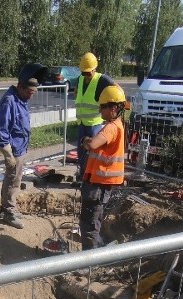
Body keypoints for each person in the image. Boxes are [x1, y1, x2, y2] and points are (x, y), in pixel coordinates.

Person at [0, 63, 46, 229]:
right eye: (29, 92)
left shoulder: (20, 99)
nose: (31, 96)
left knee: (16, 179)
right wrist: (8, 154)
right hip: (13, 149)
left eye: (33, 93)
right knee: (12, 180)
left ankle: (10, 206)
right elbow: (1, 129)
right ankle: (8, 211)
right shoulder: (9, 101)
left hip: (20, 147)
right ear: (21, 87)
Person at [79, 85, 126, 250]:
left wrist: (85, 140)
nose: (100, 110)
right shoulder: (117, 125)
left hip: (99, 184)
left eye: (103, 106)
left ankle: (88, 261)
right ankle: (94, 250)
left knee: (90, 223)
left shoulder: (112, 128)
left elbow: (92, 144)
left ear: (113, 108)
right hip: (99, 182)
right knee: (91, 220)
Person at [74, 52, 116, 184]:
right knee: (81, 152)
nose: (85, 75)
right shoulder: (80, 79)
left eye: (88, 73)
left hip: (94, 124)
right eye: (83, 72)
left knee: (93, 153)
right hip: (82, 122)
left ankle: (92, 178)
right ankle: (82, 177)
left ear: (94, 69)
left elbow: (117, 91)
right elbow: (78, 93)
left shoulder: (102, 80)